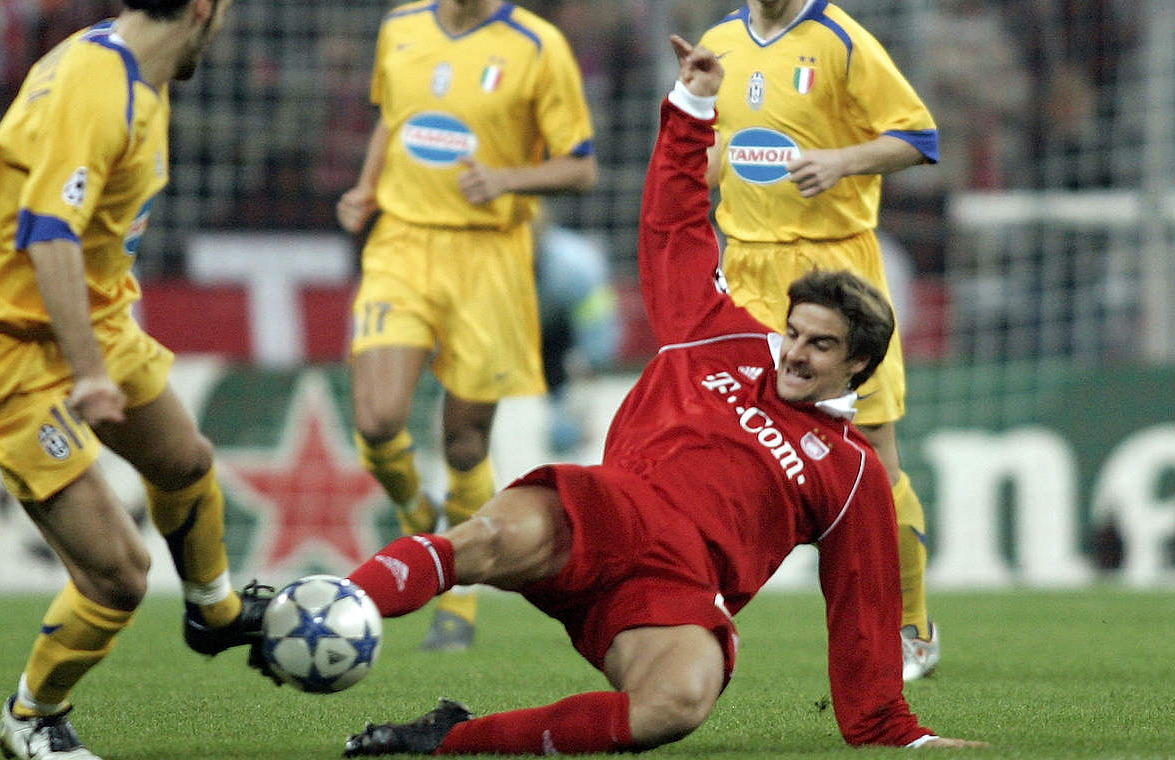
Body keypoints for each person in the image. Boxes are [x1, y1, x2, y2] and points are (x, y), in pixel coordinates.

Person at [332, 38, 984, 755]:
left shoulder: (851, 471)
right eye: (795, 332)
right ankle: (334, 609)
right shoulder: (720, 337)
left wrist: (899, 735)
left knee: (678, 702)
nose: (794, 352)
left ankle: (449, 742)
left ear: (859, 363)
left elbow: (860, 612)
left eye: (819, 345)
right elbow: (674, 220)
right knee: (484, 538)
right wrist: (693, 105)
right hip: (603, 513)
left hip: (673, 594)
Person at [0, 2, 269, 758]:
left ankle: (213, 614)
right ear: (200, 10)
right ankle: (31, 716)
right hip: (17, 349)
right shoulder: (98, 89)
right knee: (118, 575)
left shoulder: (135, 70)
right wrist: (89, 376)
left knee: (185, 462)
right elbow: (48, 234)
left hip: (98, 320)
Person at [335, 0, 597, 651]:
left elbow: (582, 165)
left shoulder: (538, 47)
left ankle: (458, 599)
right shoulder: (399, 27)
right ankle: (414, 512)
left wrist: (507, 178)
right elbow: (392, 121)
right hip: (403, 244)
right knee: (376, 419)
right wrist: (368, 186)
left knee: (464, 447)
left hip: (491, 259)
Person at [699, 0, 943, 681]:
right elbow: (720, 148)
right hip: (746, 269)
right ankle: (699, 608)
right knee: (731, 446)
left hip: (835, 270)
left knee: (873, 458)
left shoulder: (841, 40)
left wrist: (843, 160)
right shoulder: (720, 40)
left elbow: (920, 137)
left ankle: (912, 622)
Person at [535, 220, 622, 454]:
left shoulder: (576, 267)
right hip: (525, 324)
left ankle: (570, 441)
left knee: (574, 388)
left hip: (565, 328)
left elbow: (598, 324)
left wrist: (592, 363)